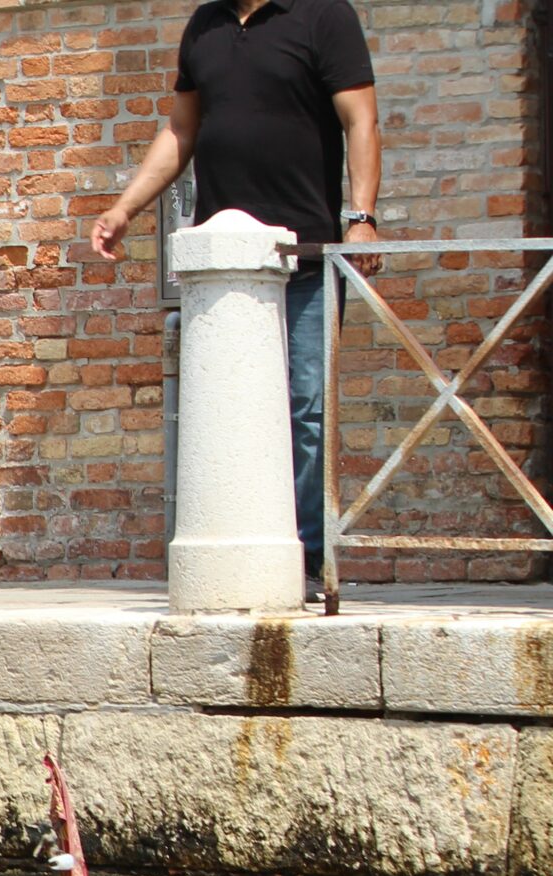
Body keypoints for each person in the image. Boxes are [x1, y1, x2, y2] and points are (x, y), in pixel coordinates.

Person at [91, 0, 381, 592]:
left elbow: (361, 121)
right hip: (225, 268)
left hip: (305, 256)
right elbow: (181, 128)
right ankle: (240, 562)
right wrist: (125, 207)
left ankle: (306, 563)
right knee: (223, 412)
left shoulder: (323, 16)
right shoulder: (205, 25)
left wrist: (362, 217)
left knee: (306, 410)